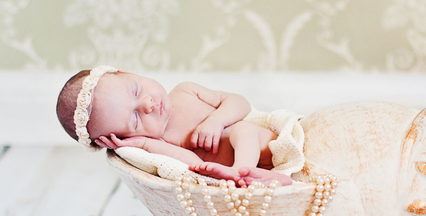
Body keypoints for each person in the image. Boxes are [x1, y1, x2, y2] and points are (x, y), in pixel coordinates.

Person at [56, 65, 295, 187]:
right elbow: (192, 164)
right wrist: (143, 144)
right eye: (135, 119)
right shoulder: (159, 141)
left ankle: (242, 171)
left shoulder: (185, 91)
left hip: (266, 145)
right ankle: (275, 181)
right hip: (255, 174)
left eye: (136, 90)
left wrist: (216, 121)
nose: (147, 104)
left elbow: (239, 103)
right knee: (214, 169)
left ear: (127, 72)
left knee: (242, 129)